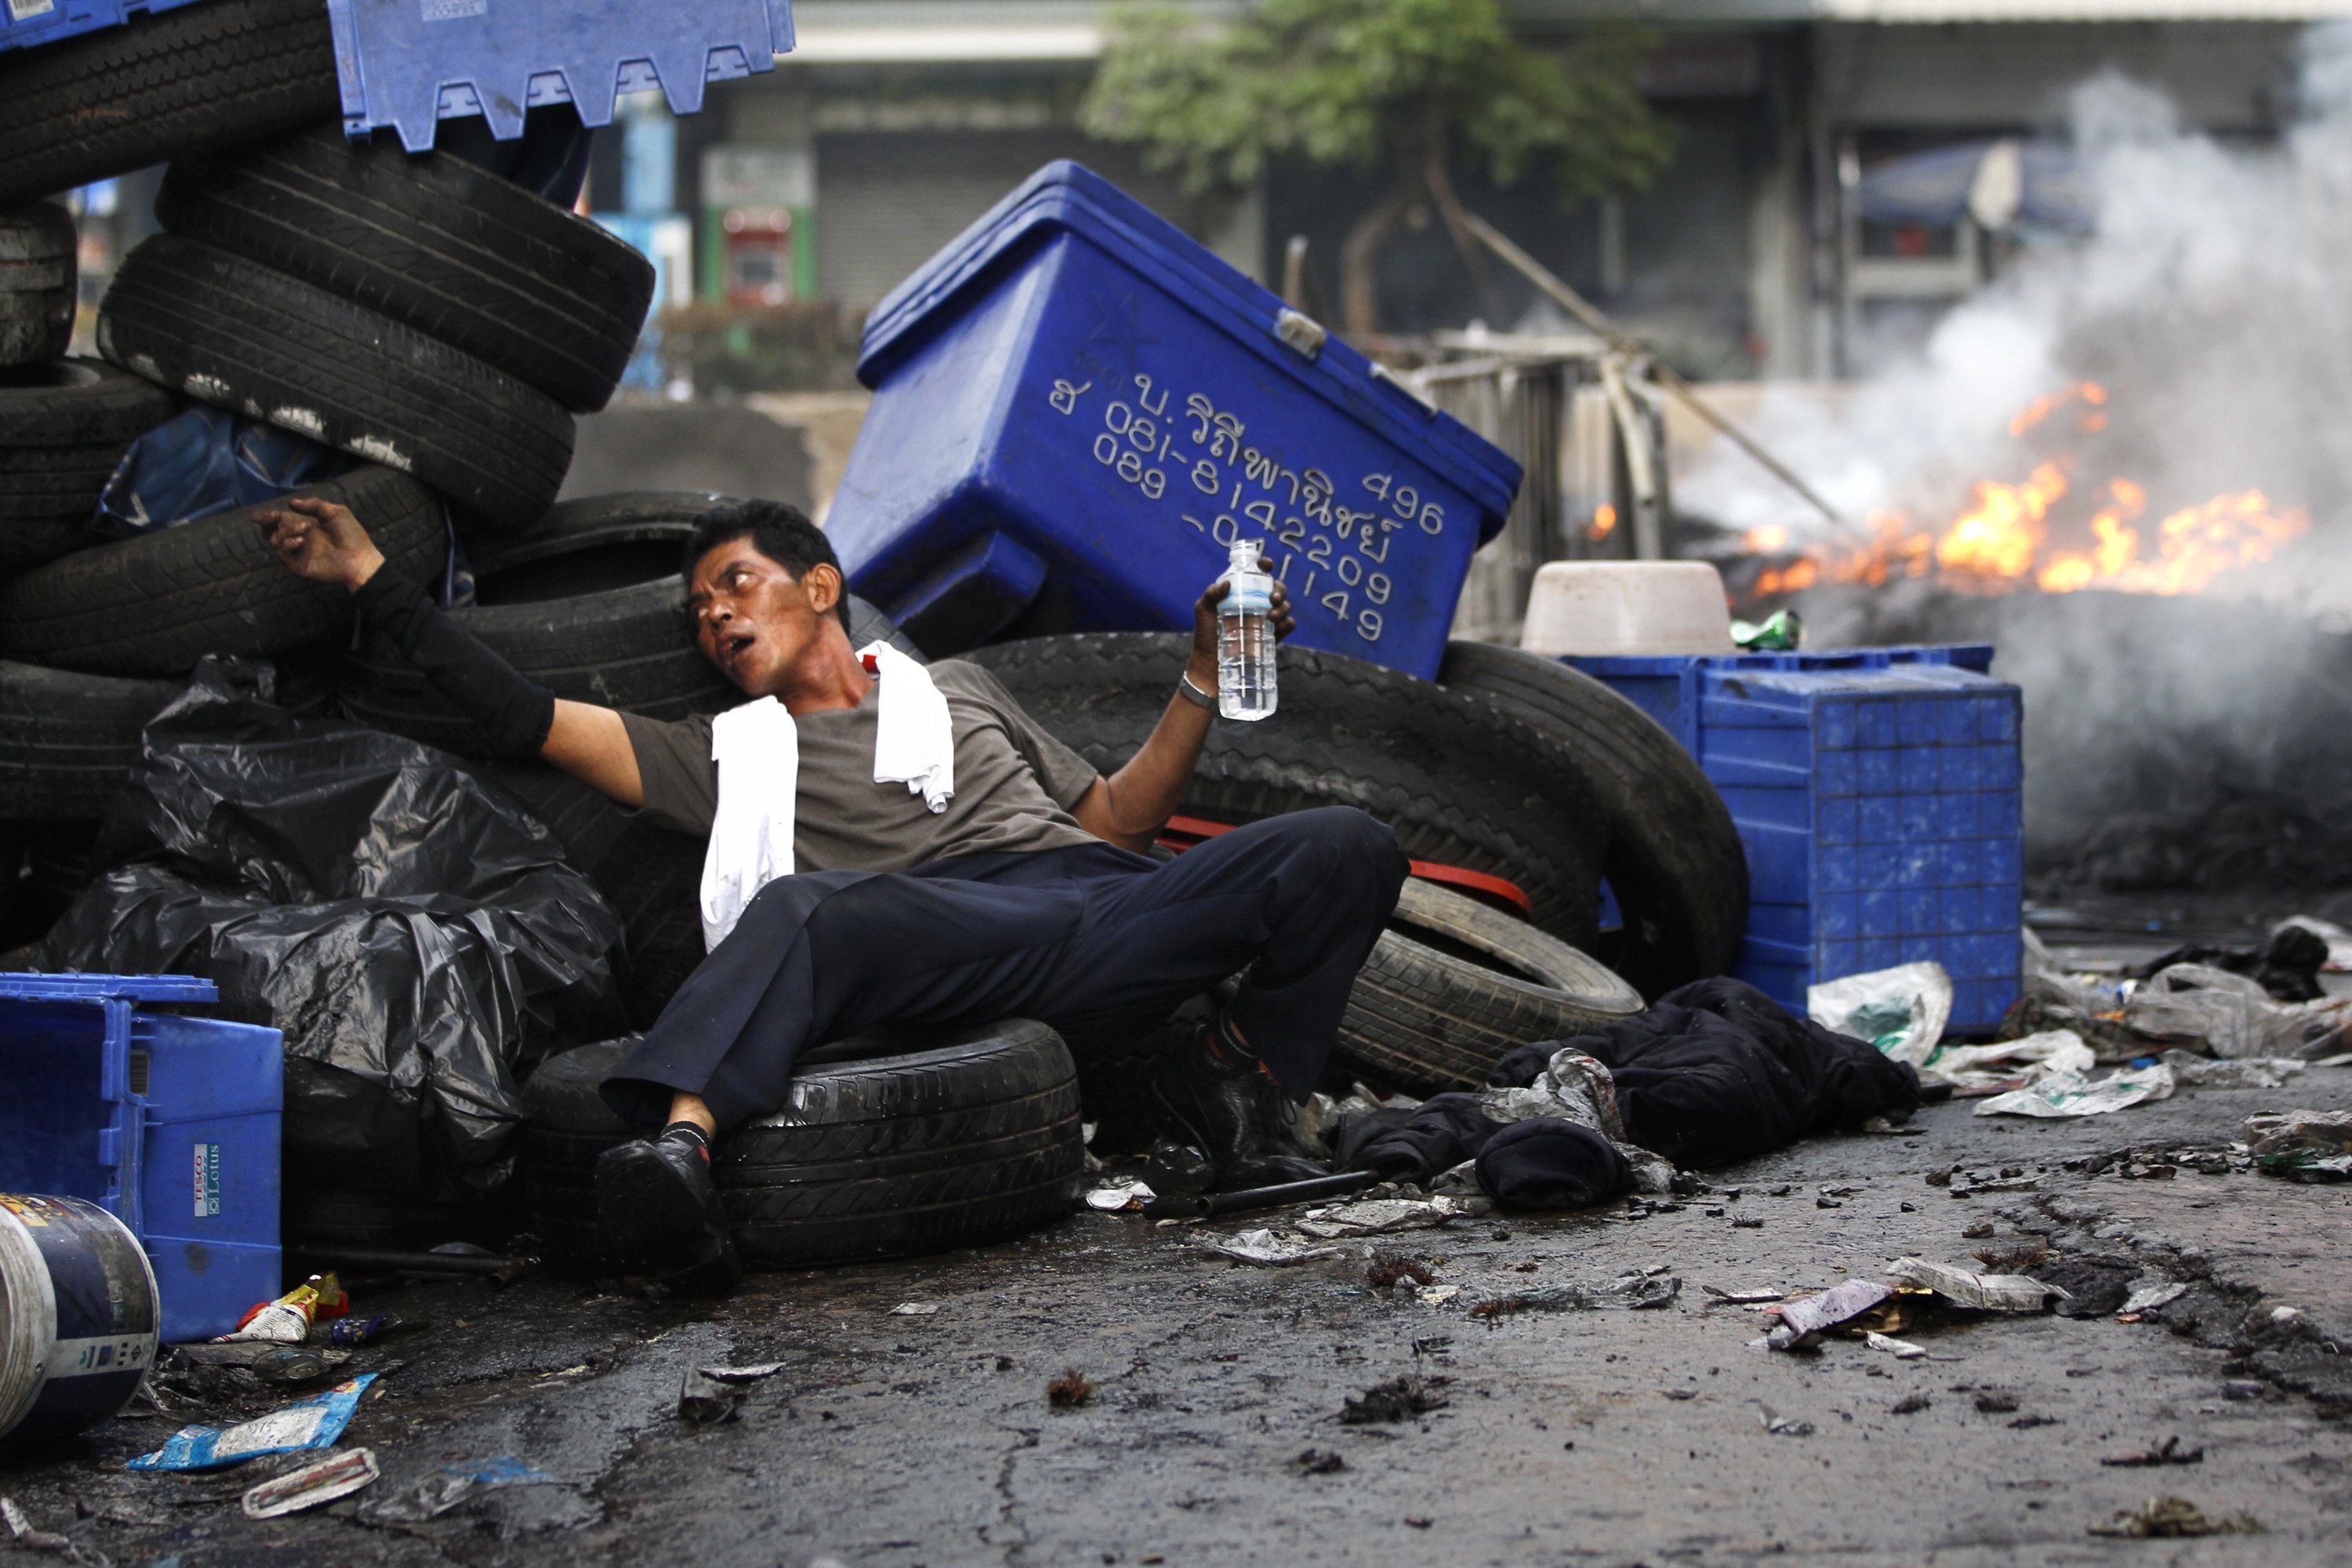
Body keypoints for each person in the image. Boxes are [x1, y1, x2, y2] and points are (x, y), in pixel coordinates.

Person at [257, 493, 1407, 1291]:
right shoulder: (725, 753)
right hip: (949, 934)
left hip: (1100, 901)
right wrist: (371, 580)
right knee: (809, 905)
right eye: (699, 611)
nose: (715, 615)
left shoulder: (957, 687)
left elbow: (1115, 822)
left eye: (735, 585)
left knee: (1345, 845)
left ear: (820, 586)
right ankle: (678, 1155)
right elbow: (519, 717)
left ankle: (1240, 1093)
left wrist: (1201, 673)